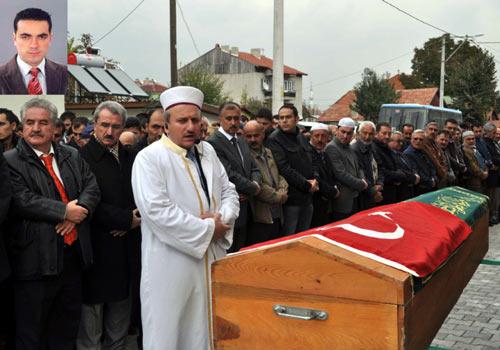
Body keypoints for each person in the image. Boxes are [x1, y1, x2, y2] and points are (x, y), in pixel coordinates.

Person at [131, 86, 239, 350]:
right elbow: (157, 211)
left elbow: (229, 191)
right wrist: (207, 228)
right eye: (182, 121)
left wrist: (220, 221)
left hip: (212, 258)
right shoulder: (150, 159)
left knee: (209, 330)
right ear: (166, 126)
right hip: (171, 266)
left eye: (195, 120)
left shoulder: (208, 153)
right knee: (171, 333)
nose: (190, 127)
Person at [4, 97, 100, 350]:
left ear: (55, 126)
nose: (36, 128)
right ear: (21, 127)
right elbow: (22, 200)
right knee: (31, 336)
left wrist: (81, 210)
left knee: (66, 332)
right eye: (30, 122)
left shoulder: (71, 155)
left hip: (72, 259)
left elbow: (91, 186)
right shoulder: (10, 160)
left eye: (43, 123)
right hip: (33, 263)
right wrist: (64, 212)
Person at [77, 101, 140, 350]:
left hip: (126, 250)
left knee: (119, 328)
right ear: (94, 125)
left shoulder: (132, 157)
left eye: (115, 126)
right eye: (104, 125)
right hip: (95, 250)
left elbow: (143, 196)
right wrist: (124, 219)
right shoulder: (80, 157)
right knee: (90, 330)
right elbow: (85, 200)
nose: (109, 132)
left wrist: (134, 221)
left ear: (123, 127)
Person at [208, 102, 261, 251]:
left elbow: (254, 167)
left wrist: (256, 184)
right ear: (220, 119)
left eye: (236, 118)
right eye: (229, 118)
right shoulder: (214, 143)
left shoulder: (241, 140)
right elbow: (228, 174)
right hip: (230, 209)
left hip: (247, 206)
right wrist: (253, 188)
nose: (233, 122)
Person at [267, 104, 318, 235]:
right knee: (289, 239)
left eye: (288, 117)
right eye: (281, 117)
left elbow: (311, 161)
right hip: (291, 200)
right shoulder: (274, 139)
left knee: (303, 237)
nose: (284, 120)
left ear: (296, 119)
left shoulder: (300, 136)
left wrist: (315, 181)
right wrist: (307, 185)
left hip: (307, 198)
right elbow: (284, 169)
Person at [0, 8, 67, 95]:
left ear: (50, 38)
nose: (34, 45)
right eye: (25, 37)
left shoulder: (65, 74)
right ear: (14, 39)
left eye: (41, 37)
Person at [244, 121, 288, 242]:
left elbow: (278, 176)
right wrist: (278, 196)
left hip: (277, 213)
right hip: (261, 216)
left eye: (256, 135)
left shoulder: (268, 152)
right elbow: (257, 185)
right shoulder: (245, 156)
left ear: (263, 134)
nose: (253, 139)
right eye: (248, 136)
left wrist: (283, 190)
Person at [325, 117, 368, 221]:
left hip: (353, 197)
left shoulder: (349, 147)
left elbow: (359, 168)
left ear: (353, 133)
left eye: (349, 133)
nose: (345, 136)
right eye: (343, 132)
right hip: (342, 199)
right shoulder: (332, 147)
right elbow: (340, 173)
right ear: (337, 130)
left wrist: (363, 180)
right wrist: (361, 184)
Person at [308, 123, 339, 227]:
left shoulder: (324, 153)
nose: (320, 139)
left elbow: (331, 174)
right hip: (315, 201)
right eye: (317, 136)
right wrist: (332, 191)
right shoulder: (308, 153)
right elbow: (315, 177)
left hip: (326, 202)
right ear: (311, 136)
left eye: (323, 136)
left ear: (328, 138)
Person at [372, 122, 409, 205]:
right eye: (384, 133)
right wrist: (398, 176)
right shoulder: (374, 148)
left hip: (392, 192)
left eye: (389, 133)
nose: (387, 136)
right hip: (383, 192)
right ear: (376, 133)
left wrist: (399, 174)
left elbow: (397, 164)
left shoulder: (387, 147)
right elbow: (381, 171)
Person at [351, 121, 383, 210]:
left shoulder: (373, 147)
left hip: (376, 189)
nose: (367, 137)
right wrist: (374, 191)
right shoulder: (354, 149)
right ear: (358, 133)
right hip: (364, 194)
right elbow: (360, 174)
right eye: (364, 133)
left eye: (371, 134)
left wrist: (380, 184)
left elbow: (380, 166)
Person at [404, 130, 438, 195]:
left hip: (429, 187)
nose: (418, 141)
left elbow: (432, 167)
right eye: (415, 139)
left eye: (421, 139)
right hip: (418, 189)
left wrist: (434, 178)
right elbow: (416, 172)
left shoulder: (424, 152)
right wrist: (430, 182)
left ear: (424, 141)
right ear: (411, 140)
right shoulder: (407, 154)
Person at [389, 131, 420, 201]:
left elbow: (412, 166)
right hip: (399, 193)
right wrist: (413, 177)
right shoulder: (389, 156)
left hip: (409, 192)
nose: (401, 143)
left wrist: (416, 174)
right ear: (390, 141)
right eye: (398, 141)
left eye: (402, 141)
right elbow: (400, 171)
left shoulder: (402, 154)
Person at [482, 122, 500, 225]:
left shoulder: (493, 142)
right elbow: (493, 159)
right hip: (491, 176)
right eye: (493, 133)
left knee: (495, 198)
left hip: (496, 175)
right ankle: (490, 217)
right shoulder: (486, 143)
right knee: (491, 198)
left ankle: (493, 216)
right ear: (488, 133)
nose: (495, 135)